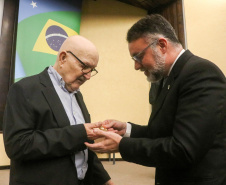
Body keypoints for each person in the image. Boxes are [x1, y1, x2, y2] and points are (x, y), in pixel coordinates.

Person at [85, 14, 226, 185]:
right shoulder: (165, 79)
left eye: (138, 57)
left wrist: (122, 145)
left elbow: (182, 150)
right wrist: (127, 130)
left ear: (162, 45)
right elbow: (161, 133)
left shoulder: (201, 73)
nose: (136, 66)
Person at [3, 35, 113, 185]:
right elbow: (18, 145)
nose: (88, 76)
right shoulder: (24, 89)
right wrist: (81, 133)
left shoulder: (77, 94)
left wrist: (106, 180)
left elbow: (83, 150)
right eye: (84, 66)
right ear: (63, 58)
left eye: (92, 70)